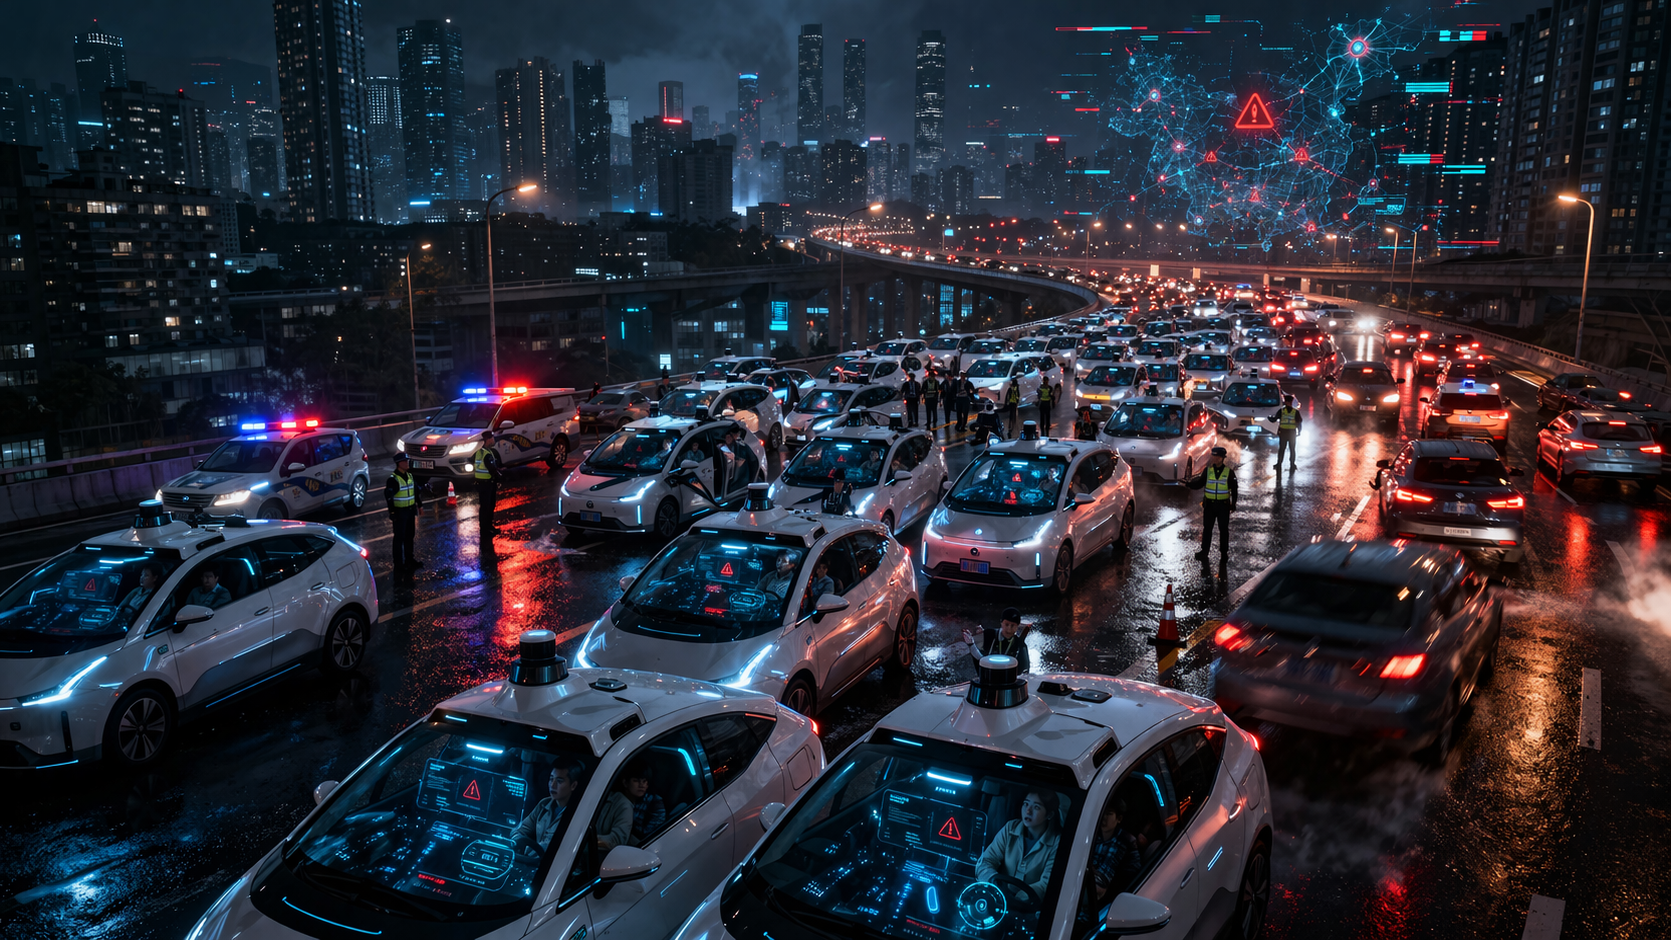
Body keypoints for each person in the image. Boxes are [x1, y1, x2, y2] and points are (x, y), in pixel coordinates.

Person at [976, 789, 1063, 906]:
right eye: (1026, 804)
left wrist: (1017, 900)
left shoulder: (1057, 842)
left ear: (1049, 815)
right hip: (998, 899)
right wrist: (995, 885)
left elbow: (1046, 884)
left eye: (1036, 807)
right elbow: (986, 861)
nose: (1028, 811)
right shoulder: (1010, 828)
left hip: (1031, 907)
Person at [1082, 796, 1142, 921]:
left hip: (1118, 897)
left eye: (1109, 814)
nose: (1104, 818)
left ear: (1119, 819)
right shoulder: (1095, 835)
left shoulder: (1124, 841)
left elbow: (1100, 886)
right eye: (1102, 812)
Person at [513, 759, 586, 857]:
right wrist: (518, 841)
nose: (552, 785)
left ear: (573, 785)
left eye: (559, 781)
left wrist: (545, 848)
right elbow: (521, 829)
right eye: (551, 779)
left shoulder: (581, 813)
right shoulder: (544, 804)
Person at [1186, 446, 1238, 564]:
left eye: (1216, 456)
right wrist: (1189, 484)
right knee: (1207, 529)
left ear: (1222, 458)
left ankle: (1224, 553)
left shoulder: (1229, 472)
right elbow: (1200, 483)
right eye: (1213, 456)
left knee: (1223, 530)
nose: (1214, 458)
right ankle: (1204, 552)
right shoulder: (1207, 471)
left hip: (1223, 506)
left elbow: (1234, 489)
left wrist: (1233, 503)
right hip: (1209, 506)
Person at [385, 453, 424, 573]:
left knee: (409, 536)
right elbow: (389, 497)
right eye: (405, 461)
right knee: (399, 539)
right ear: (399, 463)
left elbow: (415, 492)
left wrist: (420, 505)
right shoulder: (393, 479)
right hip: (400, 513)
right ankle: (398, 564)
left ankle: (409, 560)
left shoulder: (410, 476)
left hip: (410, 511)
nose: (407, 463)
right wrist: (392, 512)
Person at [963, 607, 1031, 673]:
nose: (1009, 629)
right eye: (1006, 624)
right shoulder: (989, 634)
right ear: (1001, 623)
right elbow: (979, 658)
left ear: (1017, 626)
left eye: (1013, 625)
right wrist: (971, 644)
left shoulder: (1021, 645)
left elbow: (1024, 670)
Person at [619, 759, 666, 847]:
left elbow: (651, 837)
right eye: (636, 780)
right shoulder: (617, 799)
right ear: (625, 783)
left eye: (644, 781)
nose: (641, 785)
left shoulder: (654, 803)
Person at [473, 430, 505, 537]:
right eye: (492, 438)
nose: (494, 440)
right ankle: (486, 529)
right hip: (487, 483)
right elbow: (492, 469)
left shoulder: (480, 452)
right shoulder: (487, 454)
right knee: (488, 507)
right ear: (488, 440)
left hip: (481, 483)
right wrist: (500, 478)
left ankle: (486, 528)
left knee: (485, 506)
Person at [1269, 394, 1302, 471]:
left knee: (1282, 449)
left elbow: (1274, 420)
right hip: (1292, 433)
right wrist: (1299, 431)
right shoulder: (1295, 412)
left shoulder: (1281, 411)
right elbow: (1299, 423)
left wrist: (1268, 417)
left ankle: (1279, 464)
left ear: (1286, 402)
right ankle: (1292, 465)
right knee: (1292, 449)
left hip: (1283, 432)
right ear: (1291, 402)